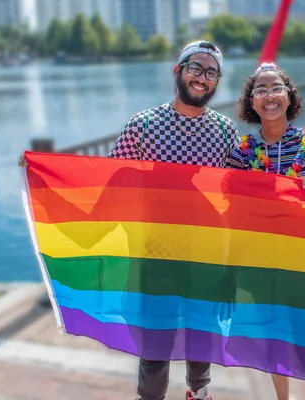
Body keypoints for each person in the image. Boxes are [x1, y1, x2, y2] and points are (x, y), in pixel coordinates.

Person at [108, 40, 240, 400]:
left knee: (202, 337)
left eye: (211, 72)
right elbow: (109, 178)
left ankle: (198, 394)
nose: (202, 77)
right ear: (177, 71)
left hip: (208, 255)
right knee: (155, 344)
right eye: (195, 68)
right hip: (156, 256)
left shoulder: (227, 132)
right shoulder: (144, 125)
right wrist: (44, 174)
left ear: (216, 82)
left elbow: (239, 198)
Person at [227, 62, 305, 400]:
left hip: (304, 257)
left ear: (289, 97)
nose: (269, 95)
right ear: (252, 101)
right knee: (272, 337)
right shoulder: (240, 151)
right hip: (258, 260)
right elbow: (232, 204)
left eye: (276, 88)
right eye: (260, 90)